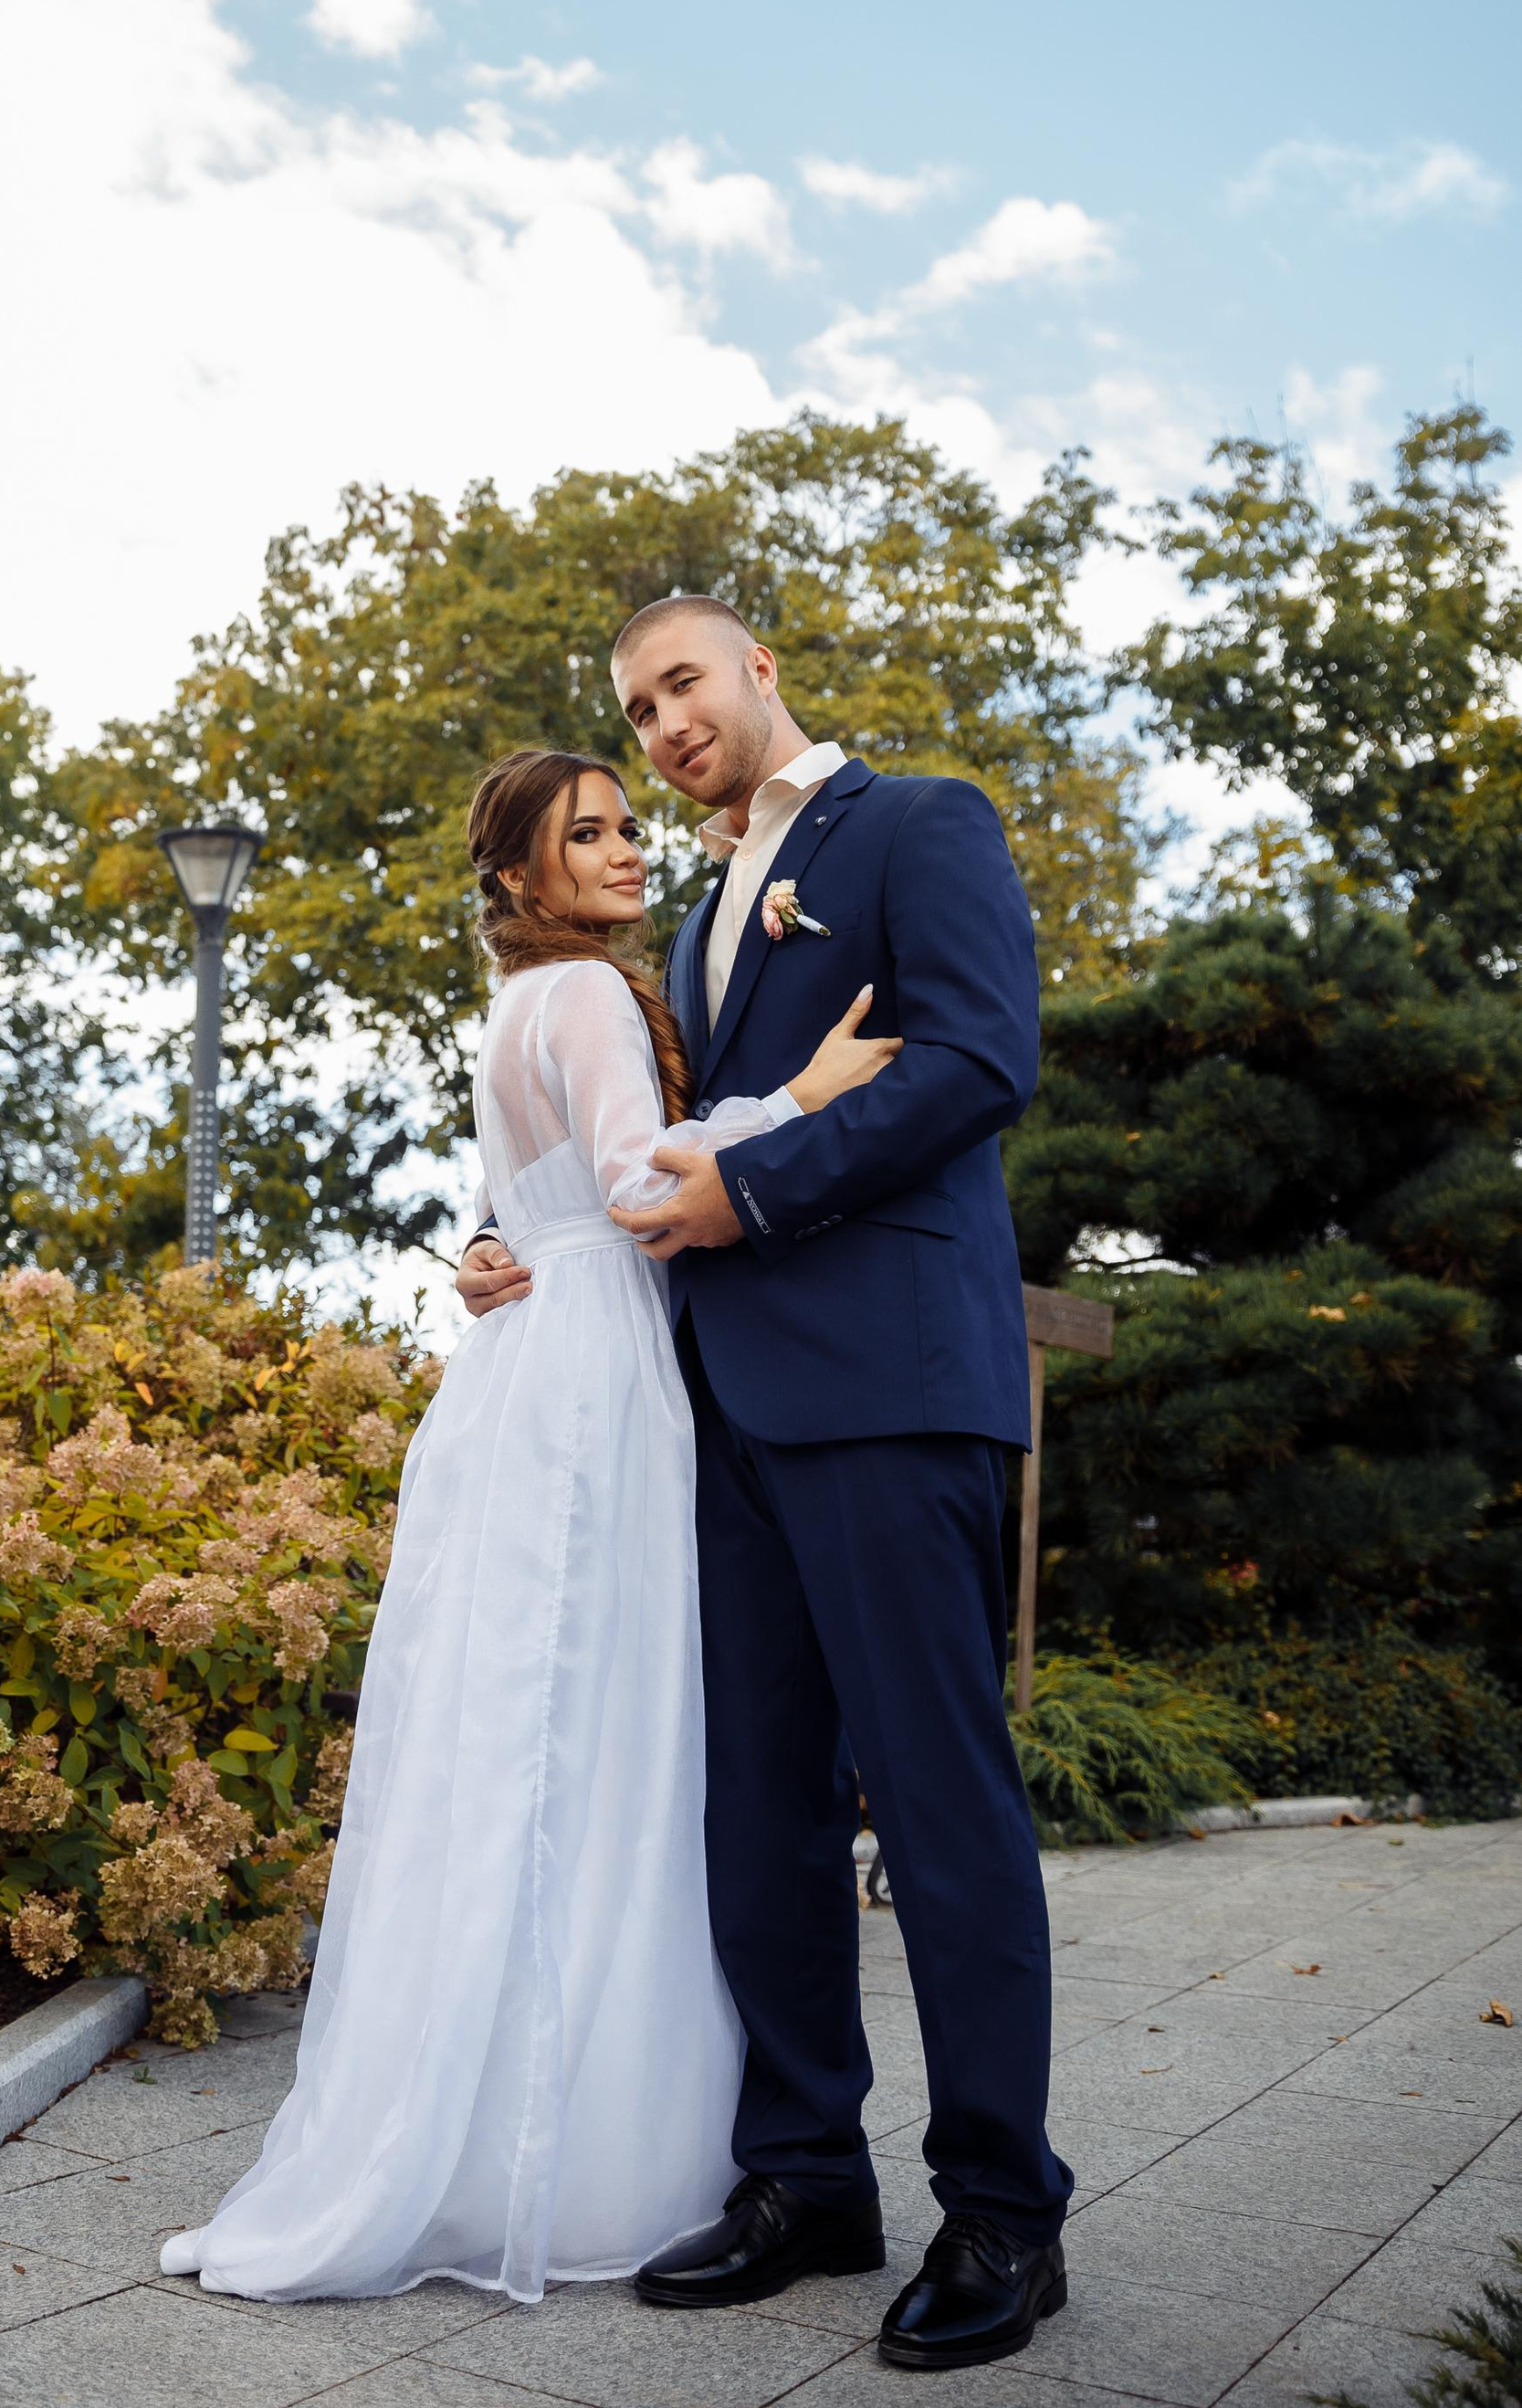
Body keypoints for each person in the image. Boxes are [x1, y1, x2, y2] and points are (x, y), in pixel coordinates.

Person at [160, 744, 897, 2305]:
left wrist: (493, 1242)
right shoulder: (582, 997)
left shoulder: (520, 1008)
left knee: (531, 1741)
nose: (627, 849)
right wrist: (806, 1095)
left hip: (530, 1357)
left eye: (630, 825)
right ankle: (573, 2152)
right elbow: (637, 1190)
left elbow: (539, 1197)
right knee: (603, 1742)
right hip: (595, 1377)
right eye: (589, 834)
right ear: (520, 877)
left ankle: (500, 2115)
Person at [462, 594, 1072, 2372]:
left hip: (890, 1388)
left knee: (934, 1810)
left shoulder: (915, 825)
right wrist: (516, 1247)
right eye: (631, 707)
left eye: (677, 683)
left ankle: (1003, 2213)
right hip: (722, 1415)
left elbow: (976, 1058)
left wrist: (758, 1188)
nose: (659, 723)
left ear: (753, 674)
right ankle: (805, 2175)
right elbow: (639, 1151)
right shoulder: (696, 931)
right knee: (759, 1817)